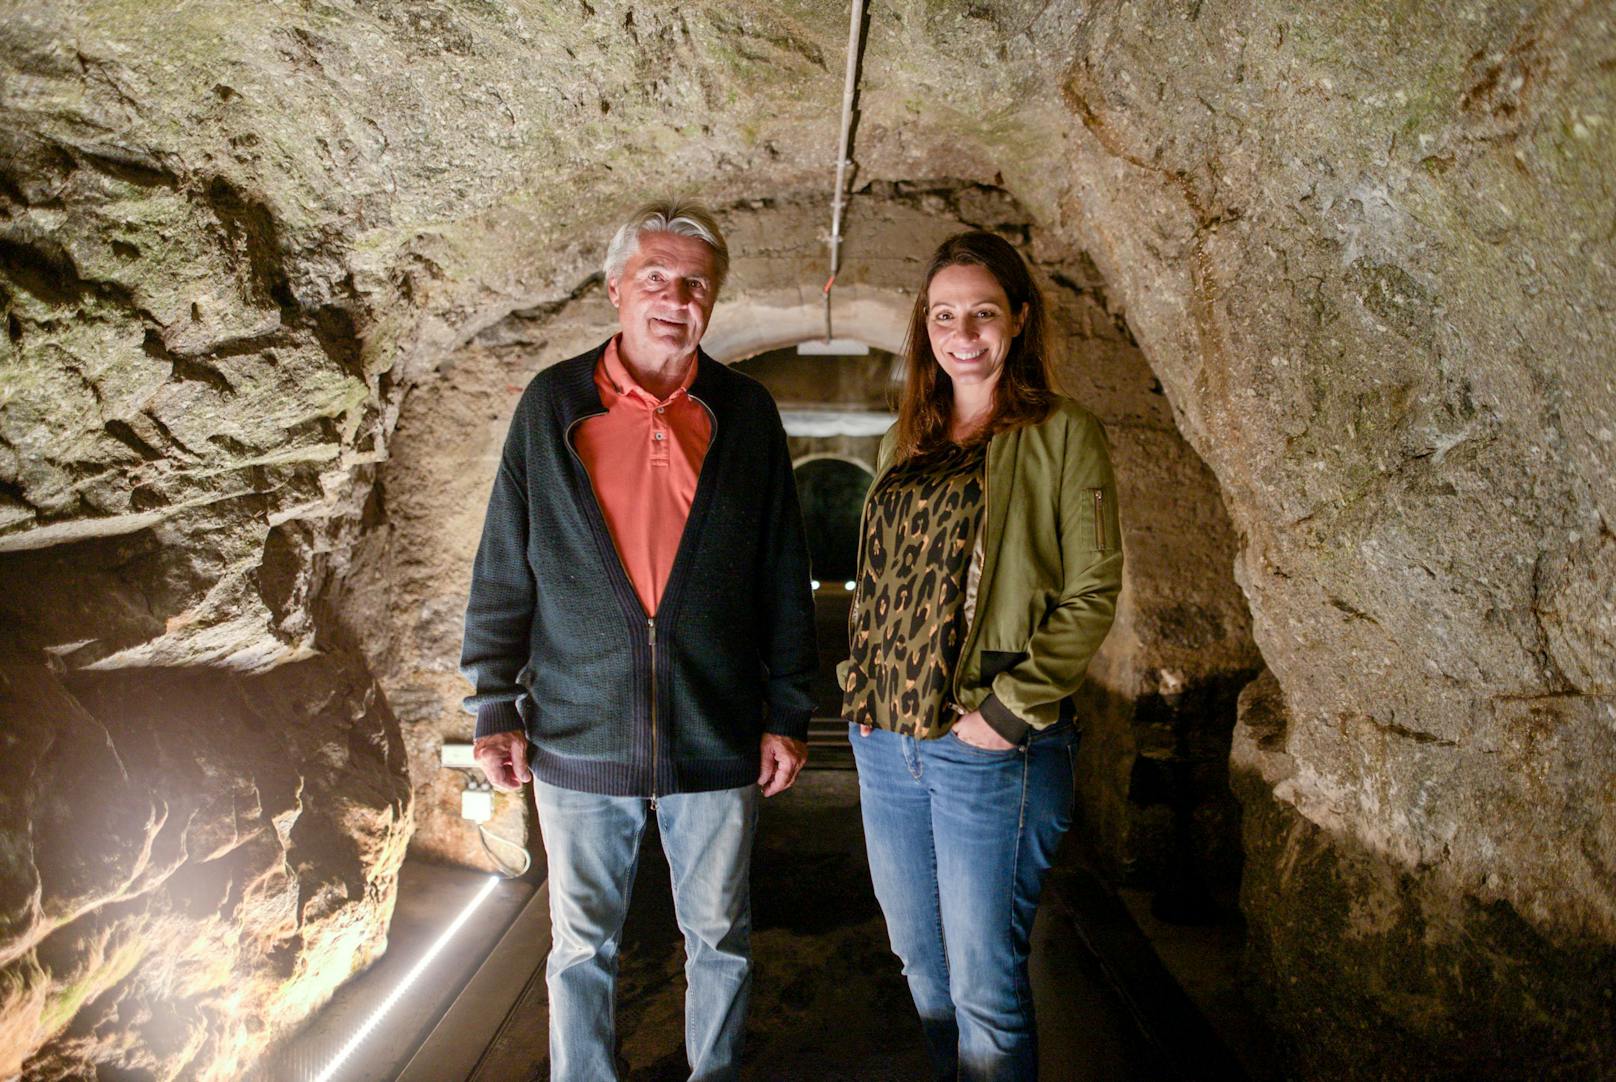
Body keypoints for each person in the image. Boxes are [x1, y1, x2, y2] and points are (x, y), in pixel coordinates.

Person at [460, 199, 816, 1082]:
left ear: (713, 301)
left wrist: (789, 709)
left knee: (722, 940)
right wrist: (494, 706)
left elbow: (782, 572)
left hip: (715, 726)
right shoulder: (553, 406)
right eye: (654, 277)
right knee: (580, 947)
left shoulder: (746, 414)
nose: (675, 297)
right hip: (579, 729)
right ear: (617, 287)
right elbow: (504, 567)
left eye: (695, 283)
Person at [840, 230, 1124, 1080]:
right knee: (922, 969)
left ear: (1020, 320)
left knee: (985, 985)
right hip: (885, 743)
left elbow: (1092, 590)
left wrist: (1005, 712)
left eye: (984, 313)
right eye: (944, 315)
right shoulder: (909, 440)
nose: (963, 333)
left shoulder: (1061, 432)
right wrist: (858, 694)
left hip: (989, 747)